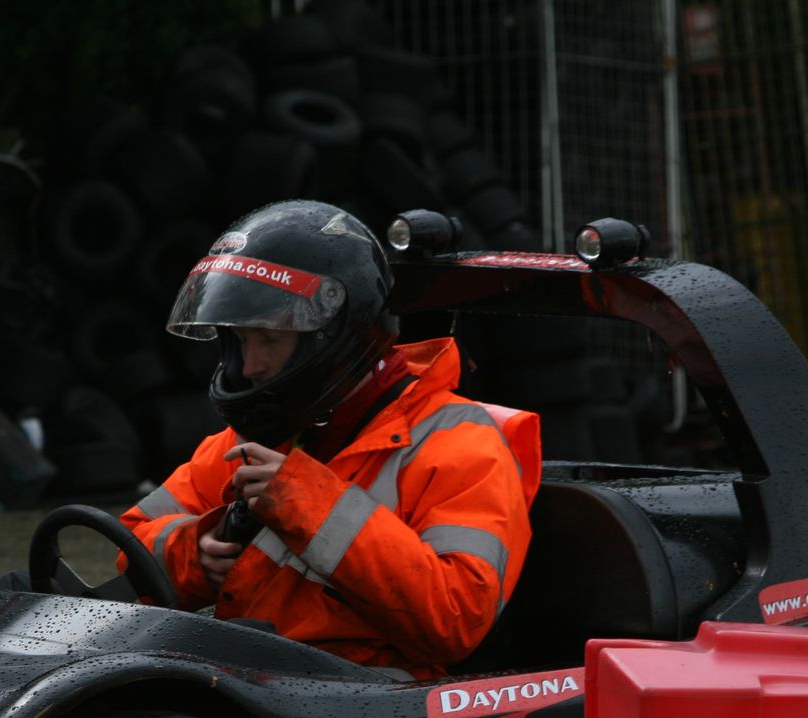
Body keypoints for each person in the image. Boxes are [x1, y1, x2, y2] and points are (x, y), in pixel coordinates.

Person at [121, 199, 541, 680]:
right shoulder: (267, 430)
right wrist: (193, 550)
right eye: (239, 340)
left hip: (377, 711)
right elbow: (131, 540)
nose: (251, 365)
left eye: (268, 338)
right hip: (256, 686)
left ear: (331, 335)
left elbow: (457, 619)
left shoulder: (462, 444)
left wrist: (309, 503)